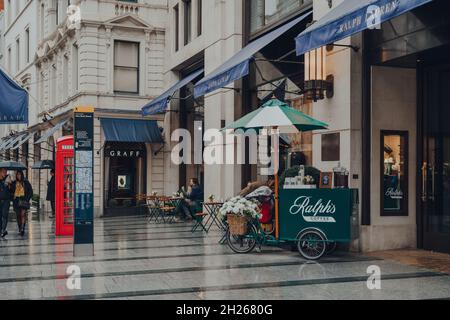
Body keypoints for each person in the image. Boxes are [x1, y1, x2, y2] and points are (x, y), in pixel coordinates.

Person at [11, 170, 33, 237]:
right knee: (18, 215)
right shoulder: (14, 183)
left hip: (24, 200)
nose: (18, 176)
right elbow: (11, 192)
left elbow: (30, 192)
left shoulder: (26, 182)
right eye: (17, 175)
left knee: (23, 214)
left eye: (20, 175)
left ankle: (23, 228)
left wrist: (27, 199)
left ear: (22, 175)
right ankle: (20, 228)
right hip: (16, 201)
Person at [0, 168, 12, 239]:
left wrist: (10, 185)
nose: (5, 173)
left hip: (6, 200)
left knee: (4, 215)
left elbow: (11, 191)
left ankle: (3, 230)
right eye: (4, 172)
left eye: (6, 172)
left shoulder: (7, 179)